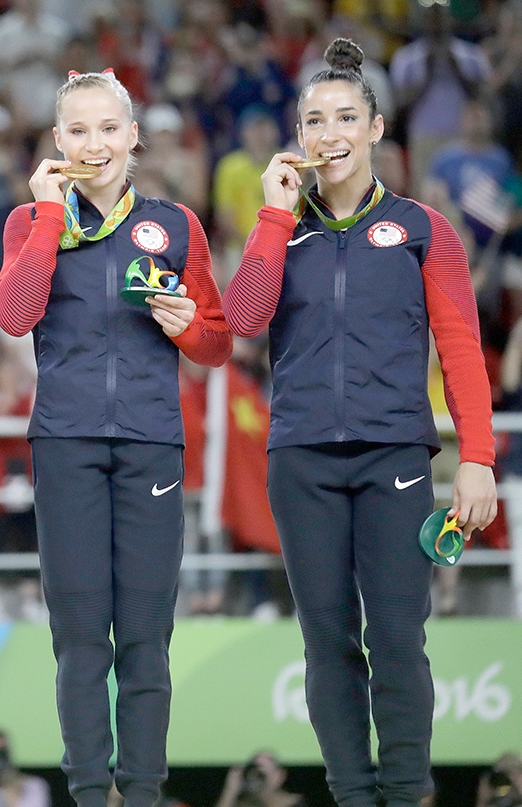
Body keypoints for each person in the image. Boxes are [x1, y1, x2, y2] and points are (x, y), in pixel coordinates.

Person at [222, 39, 498, 807]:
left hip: (396, 458)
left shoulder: (424, 229)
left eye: (346, 116)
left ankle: (406, 794)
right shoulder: (280, 227)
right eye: (314, 120)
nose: (329, 131)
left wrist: (477, 457)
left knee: (398, 640)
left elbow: (463, 350)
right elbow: (243, 317)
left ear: (377, 128)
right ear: (299, 135)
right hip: (300, 460)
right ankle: (352, 794)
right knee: (327, 643)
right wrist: (274, 219)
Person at [0, 70, 232, 807]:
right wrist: (43, 218)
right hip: (64, 442)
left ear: (133, 136)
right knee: (79, 635)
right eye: (78, 130)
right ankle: (90, 792)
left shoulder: (176, 224)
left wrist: (186, 324)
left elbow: (218, 342)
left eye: (108, 129)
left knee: (144, 633)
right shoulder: (28, 222)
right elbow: (13, 313)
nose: (94, 144)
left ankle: (146, 790)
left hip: (151, 442)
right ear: (58, 141)